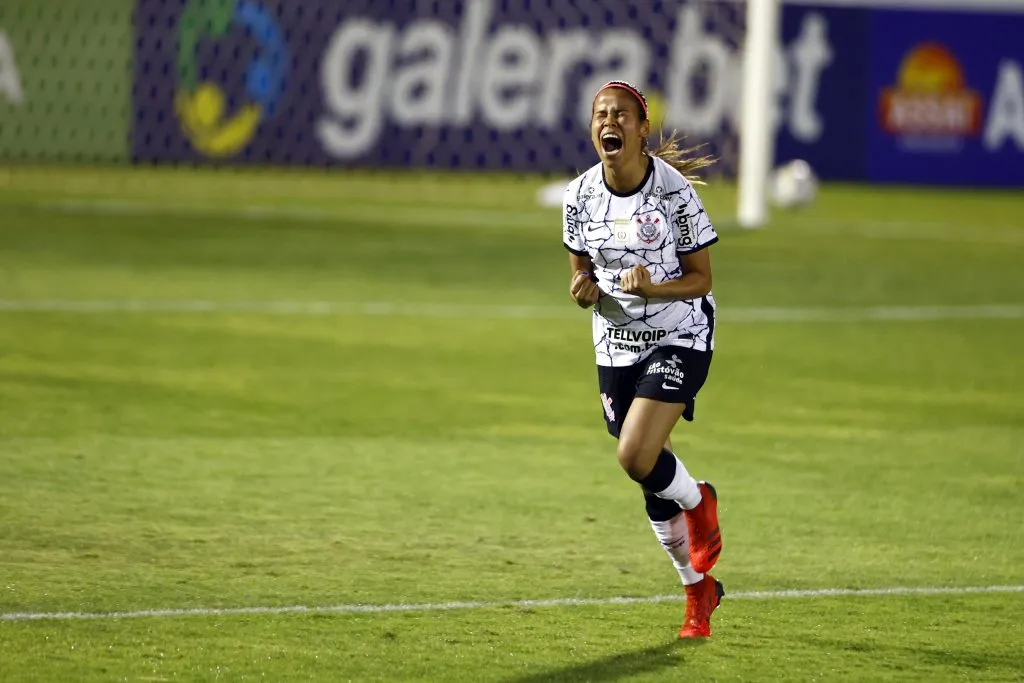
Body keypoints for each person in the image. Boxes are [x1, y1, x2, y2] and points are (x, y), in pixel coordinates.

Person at [562, 80, 724, 639]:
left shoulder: (673, 193)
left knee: (634, 456)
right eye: (600, 114)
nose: (609, 122)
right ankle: (698, 594)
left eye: (621, 115)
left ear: (641, 129)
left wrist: (655, 288)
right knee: (653, 478)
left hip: (680, 332)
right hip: (616, 342)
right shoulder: (579, 196)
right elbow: (581, 274)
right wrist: (582, 290)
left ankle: (700, 502)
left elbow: (701, 279)